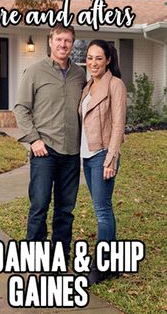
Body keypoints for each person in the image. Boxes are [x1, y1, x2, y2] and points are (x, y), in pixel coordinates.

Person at [14, 24, 87, 264]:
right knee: (39, 206)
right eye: (59, 40)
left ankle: (58, 257)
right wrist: (34, 139)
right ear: (50, 42)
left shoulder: (80, 74)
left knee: (65, 210)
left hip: (71, 152)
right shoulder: (35, 71)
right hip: (44, 150)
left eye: (68, 41)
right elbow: (21, 108)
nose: (63, 45)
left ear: (73, 44)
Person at [80, 39, 127, 284]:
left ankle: (101, 265)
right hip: (87, 156)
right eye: (89, 57)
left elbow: (118, 124)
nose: (93, 63)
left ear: (108, 60)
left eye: (98, 58)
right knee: (104, 209)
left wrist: (111, 159)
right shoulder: (88, 86)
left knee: (102, 212)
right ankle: (114, 261)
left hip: (102, 155)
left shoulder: (115, 85)